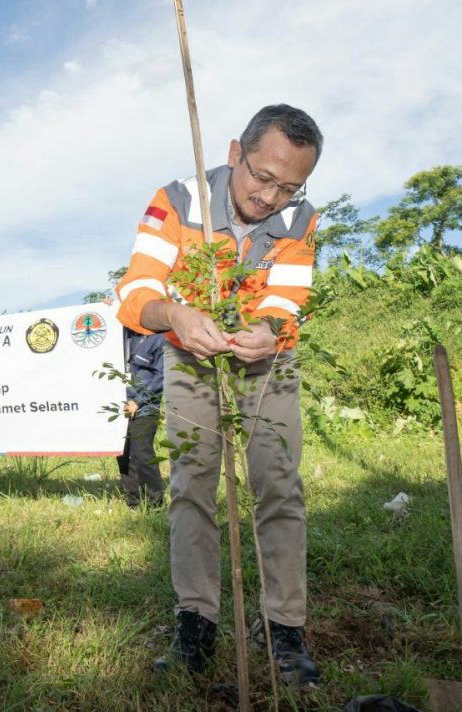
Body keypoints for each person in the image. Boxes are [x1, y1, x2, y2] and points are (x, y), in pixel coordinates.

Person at [115, 105, 322, 683]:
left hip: (267, 361)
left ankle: (285, 630)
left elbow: (288, 300)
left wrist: (269, 329)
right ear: (235, 152)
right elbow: (136, 292)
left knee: (279, 484)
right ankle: (196, 625)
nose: (270, 197)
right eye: (261, 176)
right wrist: (175, 314)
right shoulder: (177, 201)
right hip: (191, 351)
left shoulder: (301, 217)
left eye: (289, 186)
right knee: (191, 486)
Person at [117, 327, 166, 508]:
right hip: (120, 407)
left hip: (144, 407)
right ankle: (134, 502)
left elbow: (161, 376)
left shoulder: (158, 339)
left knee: (143, 453)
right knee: (123, 454)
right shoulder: (123, 336)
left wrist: (138, 401)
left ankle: (155, 502)